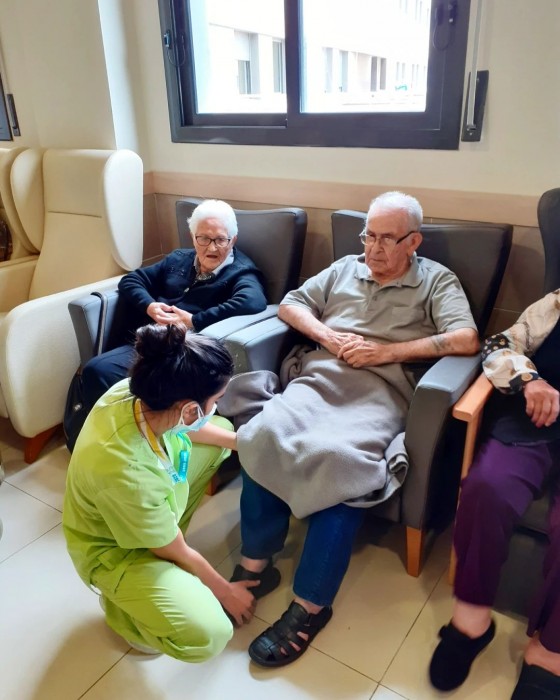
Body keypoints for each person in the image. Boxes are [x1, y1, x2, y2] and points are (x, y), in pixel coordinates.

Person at [225, 191, 479, 668]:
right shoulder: (345, 268)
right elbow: (292, 305)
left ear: (413, 241)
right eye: (369, 235)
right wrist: (327, 335)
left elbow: (466, 339)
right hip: (320, 378)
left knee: (343, 460)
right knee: (263, 432)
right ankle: (256, 564)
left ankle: (310, 604)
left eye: (387, 239)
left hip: (380, 393)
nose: (374, 248)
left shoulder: (436, 281)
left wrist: (386, 352)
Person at [62, 324, 258, 661]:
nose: (217, 405)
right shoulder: (126, 471)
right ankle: (127, 616)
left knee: (222, 433)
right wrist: (225, 591)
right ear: (189, 409)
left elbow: (187, 430)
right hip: (114, 550)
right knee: (211, 632)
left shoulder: (135, 393)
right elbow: (173, 547)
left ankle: (161, 552)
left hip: (138, 502)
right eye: (216, 400)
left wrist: (245, 443)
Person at [429, 290, 560, 700]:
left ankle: (551, 649)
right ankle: (471, 621)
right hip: (536, 421)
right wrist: (530, 380)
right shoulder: (556, 304)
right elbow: (500, 345)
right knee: (487, 487)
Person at [79, 198, 267, 430]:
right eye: (204, 238)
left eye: (221, 239)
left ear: (233, 239)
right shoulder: (178, 259)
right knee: (97, 371)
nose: (212, 248)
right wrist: (150, 306)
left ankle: (127, 437)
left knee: (100, 371)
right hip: (151, 341)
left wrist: (193, 320)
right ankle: (119, 435)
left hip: (182, 352)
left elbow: (253, 301)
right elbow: (131, 280)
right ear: (193, 237)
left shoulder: (241, 271)